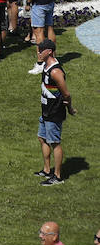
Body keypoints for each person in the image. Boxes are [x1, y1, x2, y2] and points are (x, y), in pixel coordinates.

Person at [36, 38, 74, 186]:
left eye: (41, 50)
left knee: (55, 143)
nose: (38, 53)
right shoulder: (46, 66)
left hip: (54, 112)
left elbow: (66, 94)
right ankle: (47, 170)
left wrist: (70, 108)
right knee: (42, 138)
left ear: (50, 52)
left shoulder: (56, 71)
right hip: (46, 110)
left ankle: (57, 177)